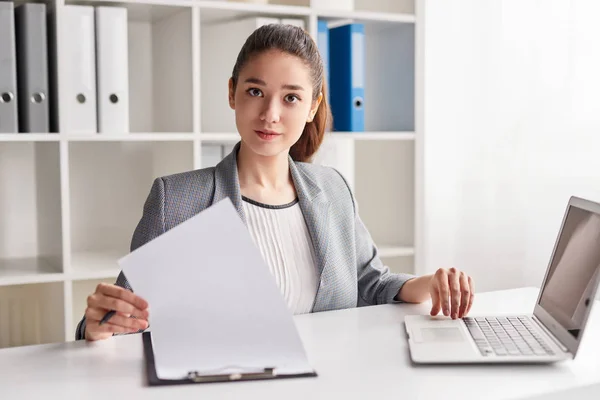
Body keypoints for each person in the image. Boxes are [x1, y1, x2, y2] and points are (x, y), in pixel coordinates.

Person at [76, 24, 475, 341]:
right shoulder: (176, 199)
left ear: (312, 105)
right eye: (255, 91)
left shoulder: (332, 188)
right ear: (232, 93)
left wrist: (429, 285)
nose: (270, 114)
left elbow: (371, 282)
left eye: (290, 98)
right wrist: (97, 326)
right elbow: (124, 318)